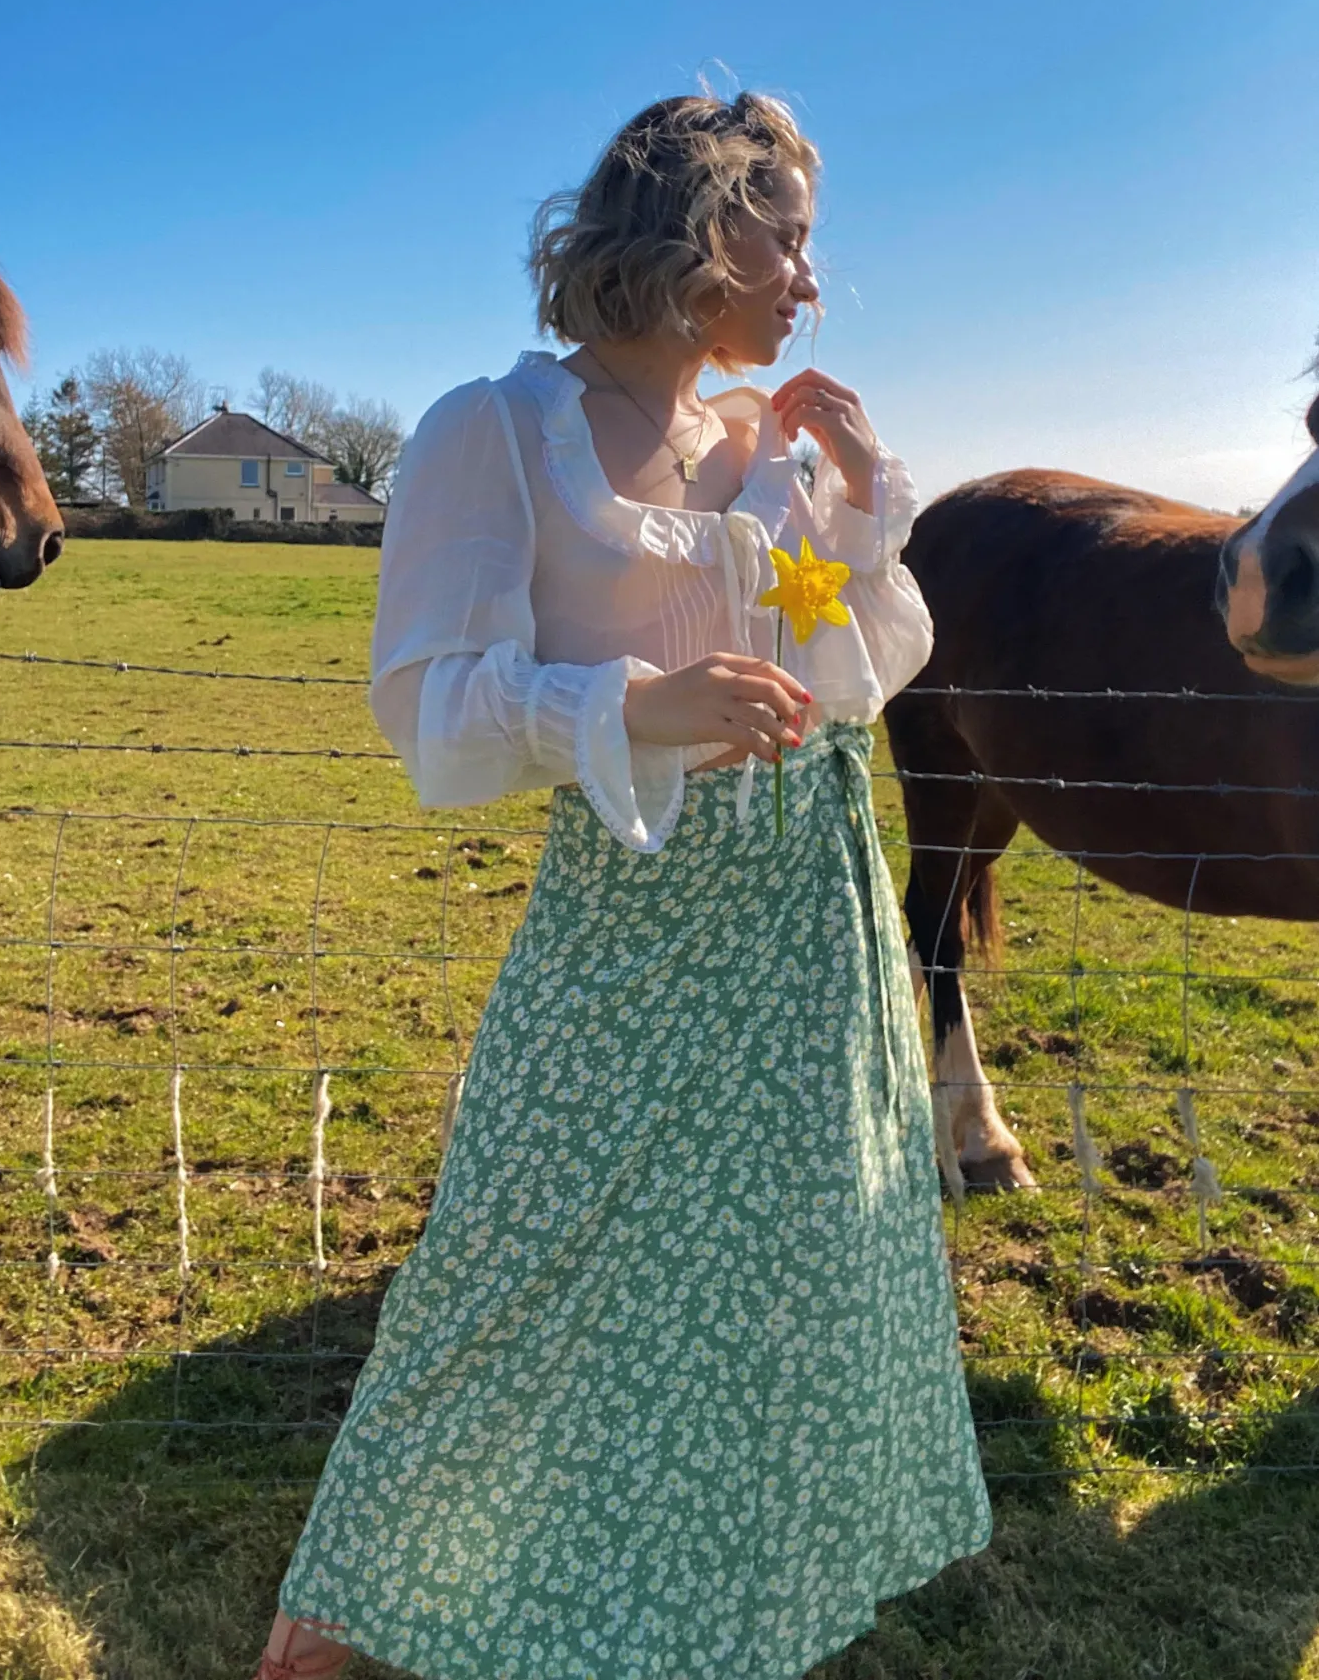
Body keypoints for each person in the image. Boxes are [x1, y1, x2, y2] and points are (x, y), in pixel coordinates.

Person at [256, 92, 989, 1680]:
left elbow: (864, 676)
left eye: (809, 239)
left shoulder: (767, 443)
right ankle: (362, 1618)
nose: (809, 274)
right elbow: (428, 708)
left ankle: (722, 1610)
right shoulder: (495, 431)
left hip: (815, 898)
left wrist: (864, 514)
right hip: (640, 907)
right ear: (692, 229)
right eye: (782, 233)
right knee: (525, 1264)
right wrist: (628, 711)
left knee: (788, 1270)